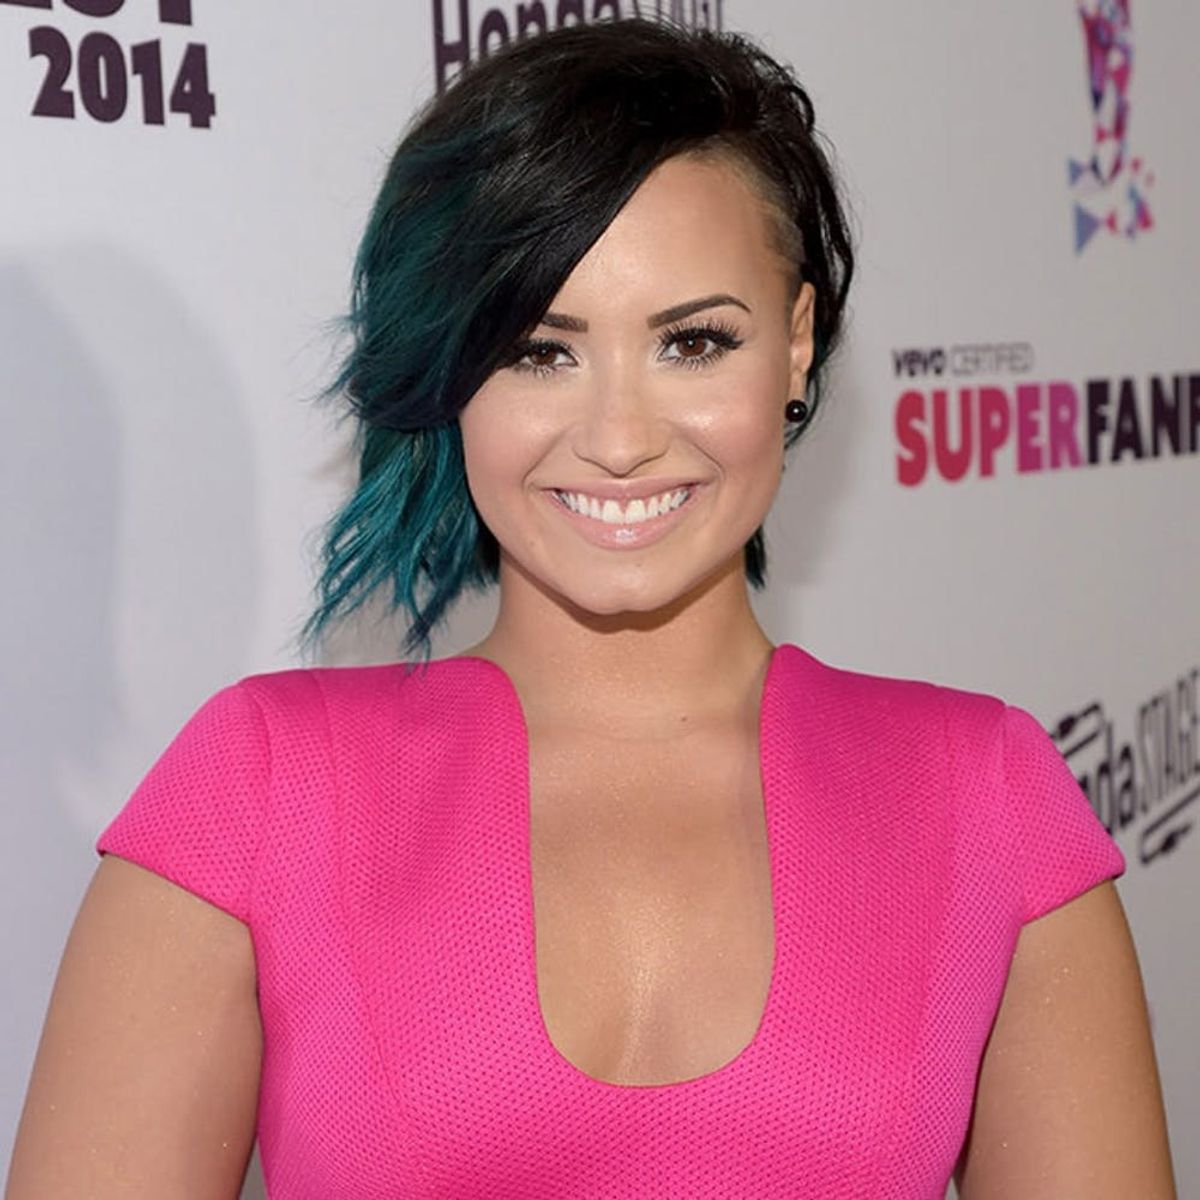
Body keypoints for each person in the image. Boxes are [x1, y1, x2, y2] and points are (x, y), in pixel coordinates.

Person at [6, 16, 1176, 1200]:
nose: (619, 439)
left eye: (694, 342)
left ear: (797, 346)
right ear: (455, 370)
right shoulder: (258, 793)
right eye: (539, 351)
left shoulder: (984, 796)